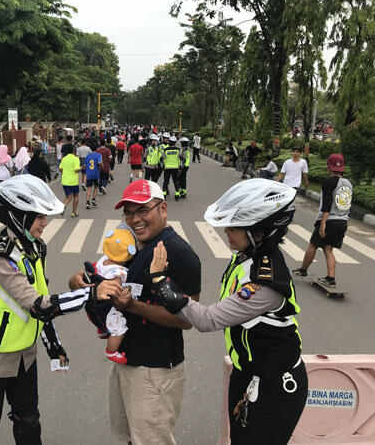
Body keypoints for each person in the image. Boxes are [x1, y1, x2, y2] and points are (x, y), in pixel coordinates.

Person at [0, 175, 120, 445]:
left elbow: (43, 298)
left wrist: (53, 345)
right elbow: (36, 305)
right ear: (18, 216)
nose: (45, 222)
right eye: (39, 216)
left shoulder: (33, 248)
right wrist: (91, 293)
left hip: (24, 355)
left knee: (29, 423)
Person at [153, 178, 307, 445]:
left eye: (234, 227)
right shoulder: (248, 256)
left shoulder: (266, 283)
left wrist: (161, 283)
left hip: (273, 387)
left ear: (260, 232)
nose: (226, 232)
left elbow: (207, 319)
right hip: (248, 376)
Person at [69, 179, 201, 445]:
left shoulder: (178, 252)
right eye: (128, 212)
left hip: (155, 368)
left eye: (143, 210)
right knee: (131, 437)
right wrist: (79, 282)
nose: (135, 219)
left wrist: (131, 306)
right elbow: (111, 274)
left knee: (151, 440)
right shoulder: (139, 244)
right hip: (129, 360)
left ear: (163, 209)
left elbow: (187, 319)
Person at [292, 154, 352, 287]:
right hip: (343, 221)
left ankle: (303, 270)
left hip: (329, 220)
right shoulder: (348, 183)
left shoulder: (329, 182)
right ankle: (331, 278)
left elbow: (327, 204)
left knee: (313, 244)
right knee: (328, 249)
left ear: (328, 166)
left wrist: (323, 223)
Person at [89, 224, 138, 364]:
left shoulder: (103, 260)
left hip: (94, 301)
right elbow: (116, 291)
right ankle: (111, 351)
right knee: (120, 328)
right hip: (107, 304)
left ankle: (102, 330)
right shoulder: (119, 272)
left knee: (104, 319)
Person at [58, 143, 81, 218]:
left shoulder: (64, 159)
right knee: (76, 196)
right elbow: (77, 170)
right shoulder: (76, 159)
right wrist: (81, 168)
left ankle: (63, 207)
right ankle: (73, 213)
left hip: (65, 181)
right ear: (73, 150)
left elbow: (60, 169)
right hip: (73, 182)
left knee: (68, 197)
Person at [84, 143, 102, 210]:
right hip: (96, 173)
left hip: (89, 174)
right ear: (97, 148)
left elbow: (85, 165)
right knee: (96, 187)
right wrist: (102, 165)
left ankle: (87, 202)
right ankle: (93, 199)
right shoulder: (98, 155)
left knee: (89, 188)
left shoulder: (88, 156)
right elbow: (99, 163)